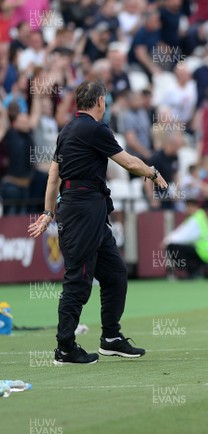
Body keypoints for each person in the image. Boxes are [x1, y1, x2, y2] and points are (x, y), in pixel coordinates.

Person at [28, 81, 168, 365]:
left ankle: (111, 338)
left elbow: (54, 175)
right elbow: (127, 162)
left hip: (84, 210)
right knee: (78, 281)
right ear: (100, 102)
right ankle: (65, 347)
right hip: (83, 212)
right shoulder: (95, 129)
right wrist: (153, 172)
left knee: (115, 274)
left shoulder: (67, 130)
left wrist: (48, 212)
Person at [161, 198, 208, 279]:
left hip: (204, 253)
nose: (187, 209)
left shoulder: (196, 219)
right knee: (177, 246)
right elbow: (181, 232)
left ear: (195, 207)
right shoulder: (198, 216)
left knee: (172, 247)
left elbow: (183, 236)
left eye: (189, 207)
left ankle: (193, 271)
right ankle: (195, 270)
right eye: (186, 207)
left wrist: (166, 241)